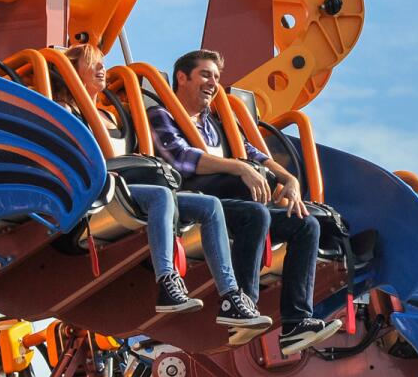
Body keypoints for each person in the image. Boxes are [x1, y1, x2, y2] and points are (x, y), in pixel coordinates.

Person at [57, 44, 270, 333]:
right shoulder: (64, 111)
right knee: (161, 195)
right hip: (92, 192)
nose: (101, 68)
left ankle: (232, 297)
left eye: (103, 63)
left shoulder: (112, 115)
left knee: (210, 205)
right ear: (71, 71)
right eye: (92, 63)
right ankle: (167, 282)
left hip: (123, 187)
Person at [147, 49, 341, 355]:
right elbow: (181, 159)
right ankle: (241, 305)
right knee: (255, 215)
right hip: (195, 202)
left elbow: (254, 153)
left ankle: (296, 323)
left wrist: (288, 179)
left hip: (233, 205)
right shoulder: (162, 114)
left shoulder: (217, 123)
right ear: (182, 78)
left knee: (306, 226)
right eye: (205, 75)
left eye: (216, 77)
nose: (213, 83)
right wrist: (237, 168)